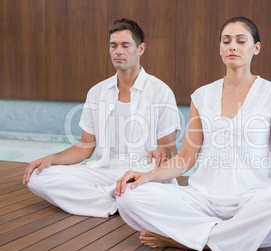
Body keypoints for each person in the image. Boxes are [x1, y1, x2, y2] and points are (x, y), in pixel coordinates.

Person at [115, 17, 271, 251]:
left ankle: (188, 240)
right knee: (128, 197)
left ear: (256, 48)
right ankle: (234, 240)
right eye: (226, 41)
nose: (232, 47)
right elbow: (186, 158)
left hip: (252, 201)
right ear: (219, 48)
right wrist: (145, 176)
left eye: (241, 41)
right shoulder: (202, 95)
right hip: (201, 200)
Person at [23, 18, 181, 218]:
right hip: (102, 172)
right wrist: (51, 158)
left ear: (141, 49)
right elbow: (85, 147)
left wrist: (163, 152)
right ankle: (116, 201)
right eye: (113, 46)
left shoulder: (160, 91)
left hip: (141, 172)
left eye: (125, 45)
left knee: (141, 185)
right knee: (37, 178)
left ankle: (116, 197)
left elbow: (169, 147)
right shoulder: (97, 92)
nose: (118, 51)